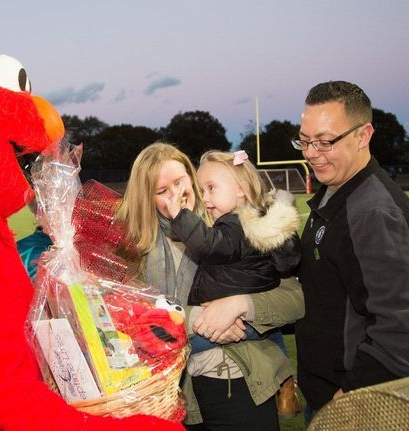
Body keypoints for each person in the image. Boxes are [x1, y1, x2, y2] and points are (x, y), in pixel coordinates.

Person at [118, 142, 305, 430]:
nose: (176, 195)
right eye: (161, 191)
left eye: (180, 182)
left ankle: (285, 382)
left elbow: (295, 299)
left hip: (240, 377)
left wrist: (240, 306)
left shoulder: (228, 223)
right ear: (147, 199)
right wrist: (199, 319)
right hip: (171, 391)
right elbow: (123, 317)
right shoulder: (133, 248)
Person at [291, 81, 409, 424]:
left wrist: (346, 403)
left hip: (357, 407)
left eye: (325, 141)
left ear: (363, 135)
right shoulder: (335, 191)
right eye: (304, 140)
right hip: (330, 396)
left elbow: (402, 338)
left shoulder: (373, 213)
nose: (310, 153)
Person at [158, 149, 300, 357]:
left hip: (241, 322)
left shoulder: (235, 224)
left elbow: (208, 244)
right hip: (248, 322)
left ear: (240, 189)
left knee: (170, 349)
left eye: (211, 188)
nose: (205, 197)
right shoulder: (254, 222)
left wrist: (180, 216)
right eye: (202, 190)